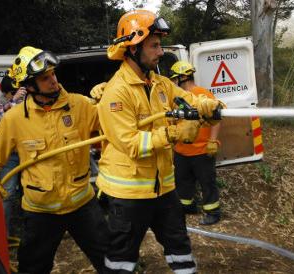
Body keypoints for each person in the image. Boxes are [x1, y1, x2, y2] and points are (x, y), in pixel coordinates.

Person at [96, 10, 225, 273]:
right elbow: (130, 142)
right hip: (129, 194)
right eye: (154, 45)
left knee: (179, 246)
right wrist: (173, 134)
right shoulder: (116, 92)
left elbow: (189, 100)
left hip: (164, 190)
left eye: (160, 45)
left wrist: (210, 106)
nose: (160, 51)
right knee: (122, 257)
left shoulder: (160, 84)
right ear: (132, 49)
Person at [0, 46, 109, 274]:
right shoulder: (14, 119)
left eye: (53, 75)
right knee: (33, 267)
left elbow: (114, 124)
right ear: (28, 86)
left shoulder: (80, 105)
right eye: (44, 78)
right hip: (40, 212)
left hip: (82, 205)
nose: (53, 81)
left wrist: (110, 97)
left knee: (111, 261)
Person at [169, 61, 222, 225]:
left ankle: (213, 212)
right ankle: (187, 207)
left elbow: (217, 119)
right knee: (183, 182)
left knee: (207, 183)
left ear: (183, 77)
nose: (172, 82)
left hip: (201, 150)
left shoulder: (203, 95)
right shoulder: (177, 98)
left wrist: (212, 141)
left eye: (174, 79)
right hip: (182, 150)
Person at [0, 75, 26, 237]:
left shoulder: (24, 102)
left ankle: (33, 231)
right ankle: (3, 236)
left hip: (27, 154)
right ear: (7, 93)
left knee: (32, 191)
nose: (18, 94)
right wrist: (13, 103)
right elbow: (3, 122)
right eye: (14, 92)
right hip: (10, 156)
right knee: (8, 194)